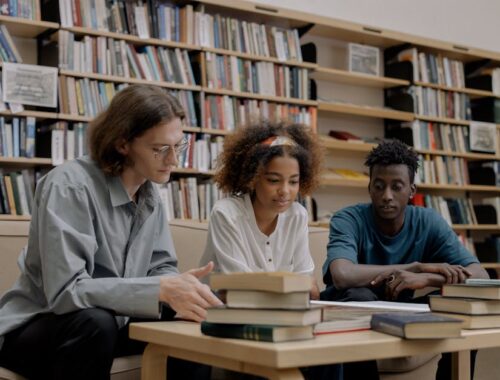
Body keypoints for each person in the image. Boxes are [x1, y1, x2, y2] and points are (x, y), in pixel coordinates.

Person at [0, 84, 222, 380]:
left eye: (179, 146)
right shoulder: (69, 186)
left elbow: (160, 265)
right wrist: (159, 289)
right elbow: (66, 293)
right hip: (40, 324)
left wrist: (180, 287)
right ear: (123, 144)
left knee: (189, 318)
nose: (174, 160)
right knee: (96, 322)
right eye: (160, 149)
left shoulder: (149, 194)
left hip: (111, 322)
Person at [321, 139, 489, 380]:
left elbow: (480, 275)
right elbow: (342, 275)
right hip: (352, 310)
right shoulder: (348, 218)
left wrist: (426, 278)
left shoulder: (428, 221)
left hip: (399, 311)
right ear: (369, 187)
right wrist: (414, 266)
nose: (386, 195)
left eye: (396, 186)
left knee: (465, 302)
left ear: (411, 190)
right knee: (361, 297)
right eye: (379, 186)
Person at [200, 121, 342, 380]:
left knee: (331, 353)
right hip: (228, 315)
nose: (285, 192)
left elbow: (308, 286)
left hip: (279, 315)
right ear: (253, 178)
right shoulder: (227, 214)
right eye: (274, 180)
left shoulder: (298, 215)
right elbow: (238, 289)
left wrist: (291, 288)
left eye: (294, 181)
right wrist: (290, 287)